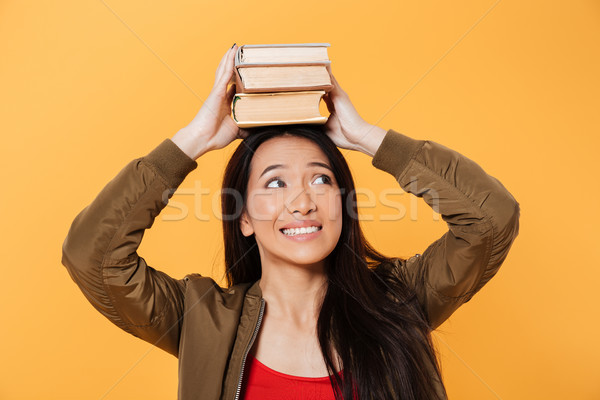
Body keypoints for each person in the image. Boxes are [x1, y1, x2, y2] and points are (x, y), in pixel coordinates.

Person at [61, 44, 520, 400]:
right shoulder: (201, 320)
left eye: (321, 180)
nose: (302, 203)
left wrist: (365, 137)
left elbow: (491, 220)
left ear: (343, 204)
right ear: (243, 219)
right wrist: (193, 140)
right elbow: (92, 256)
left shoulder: (401, 300)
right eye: (276, 184)